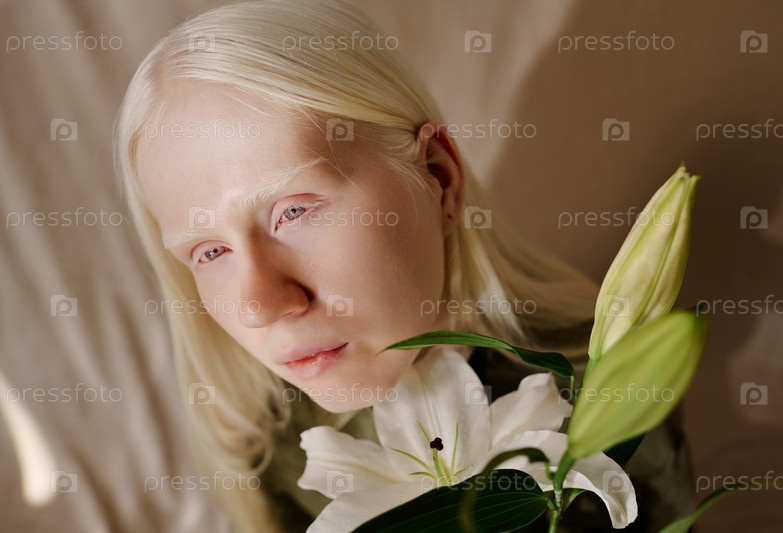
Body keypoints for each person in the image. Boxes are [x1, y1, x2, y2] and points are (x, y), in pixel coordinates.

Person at [115, 1, 692, 531]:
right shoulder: (273, 440)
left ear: (437, 179)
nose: (259, 304)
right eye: (210, 251)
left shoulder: (608, 380)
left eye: (294, 211)